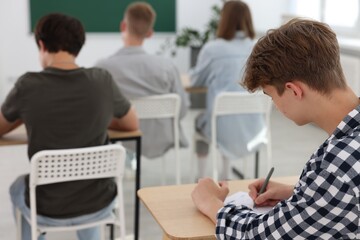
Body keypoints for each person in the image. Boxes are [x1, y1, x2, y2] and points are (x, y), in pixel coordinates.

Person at [191, 18, 360, 239]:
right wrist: (299, 195)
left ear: (293, 91)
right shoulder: (345, 151)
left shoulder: (338, 169)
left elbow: (256, 235)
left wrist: (210, 202)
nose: (276, 107)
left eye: (271, 96)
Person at [0, 13, 138, 240]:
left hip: (47, 208)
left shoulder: (28, 86)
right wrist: (97, 116)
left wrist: (25, 115)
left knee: (18, 186)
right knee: (87, 185)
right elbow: (131, 123)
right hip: (99, 203)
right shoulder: (102, 80)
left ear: (42, 45)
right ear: (78, 46)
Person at [96, 2, 189, 159]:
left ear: (123, 26)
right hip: (162, 137)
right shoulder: (167, 67)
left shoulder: (103, 68)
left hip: (123, 138)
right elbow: (183, 109)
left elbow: (98, 111)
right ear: (150, 33)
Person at [189, 0, 265, 179]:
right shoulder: (258, 48)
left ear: (223, 20)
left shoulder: (213, 49)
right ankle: (225, 172)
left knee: (202, 120)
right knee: (225, 114)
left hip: (222, 129)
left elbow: (195, 80)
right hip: (254, 127)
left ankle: (201, 177)